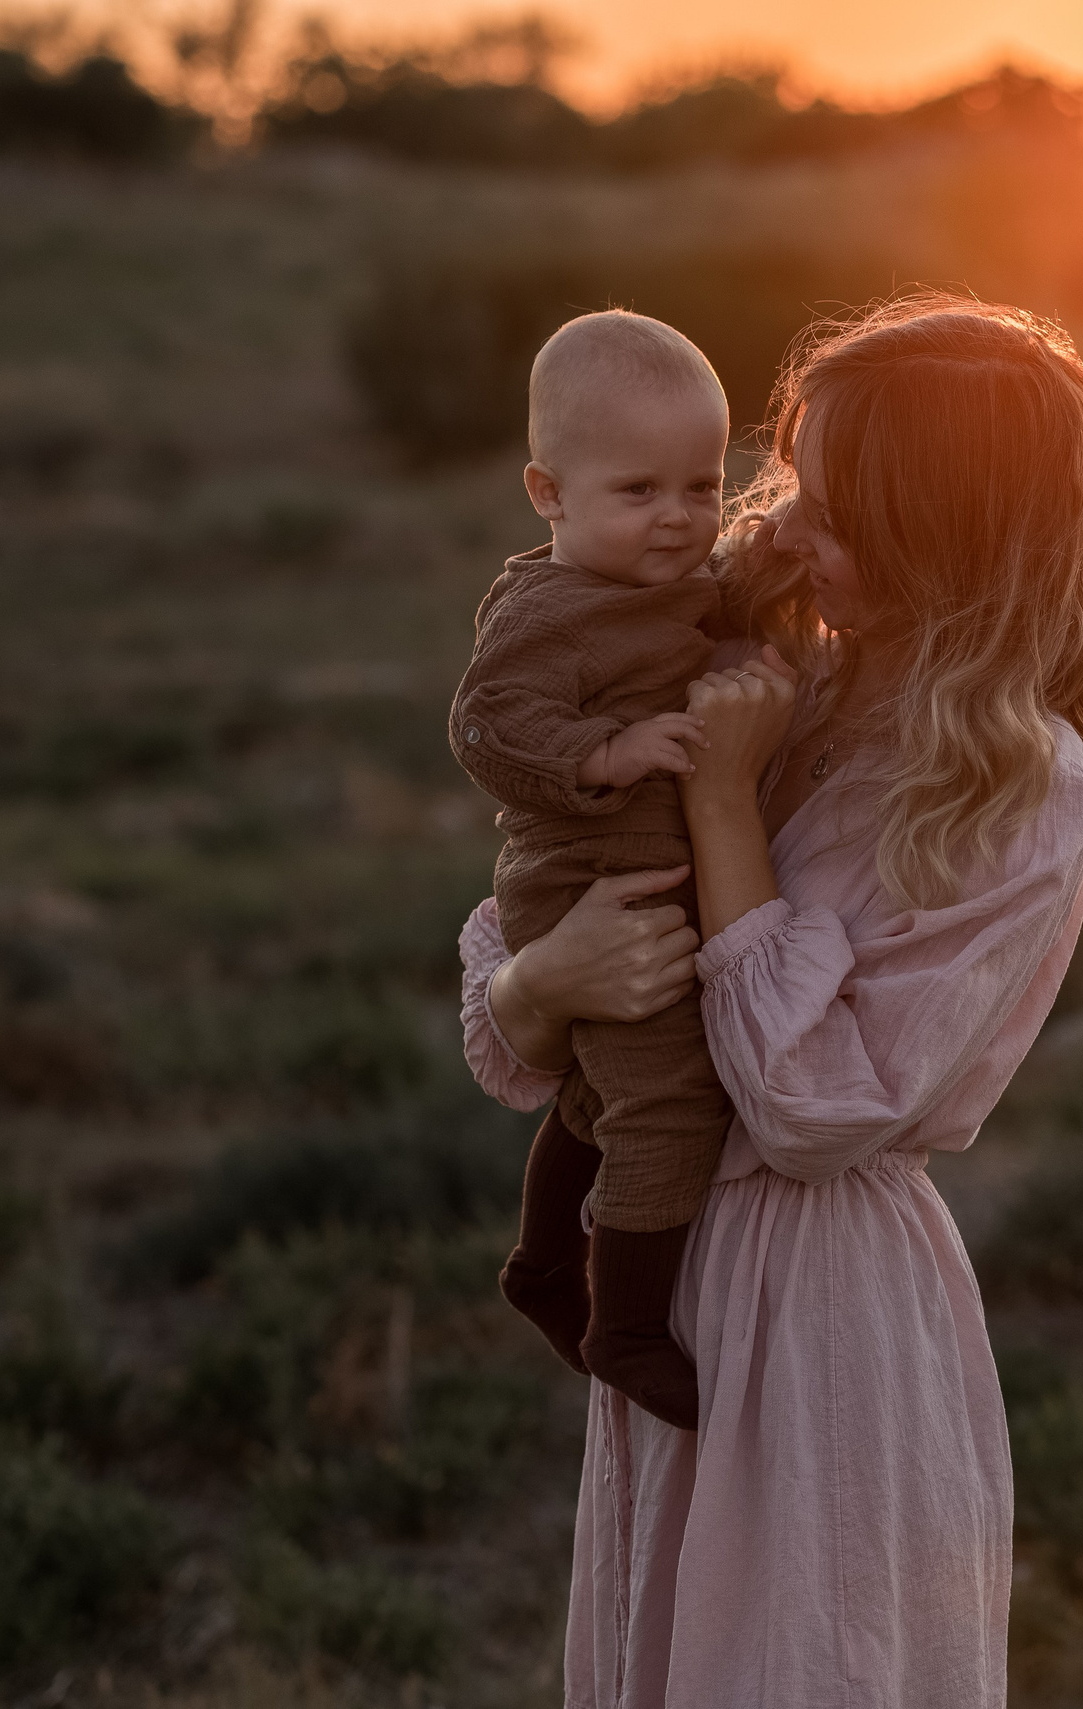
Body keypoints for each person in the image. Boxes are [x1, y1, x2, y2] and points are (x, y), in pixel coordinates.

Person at [456, 294, 1083, 1706]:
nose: (771, 528)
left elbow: (811, 1108)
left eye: (823, 508)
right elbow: (528, 962)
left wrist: (719, 797)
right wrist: (539, 984)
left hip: (822, 1310)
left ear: (933, 533)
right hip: (668, 1266)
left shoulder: (1018, 794)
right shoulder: (795, 683)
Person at [448, 309, 742, 1432]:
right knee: (667, 1097)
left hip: (643, 872)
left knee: (595, 1091)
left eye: (702, 486)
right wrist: (601, 752)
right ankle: (624, 1325)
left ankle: (538, 1263)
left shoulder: (667, 575)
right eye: (639, 491)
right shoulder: (548, 614)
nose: (678, 521)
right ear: (548, 492)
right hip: (583, 880)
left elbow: (725, 605)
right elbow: (486, 726)